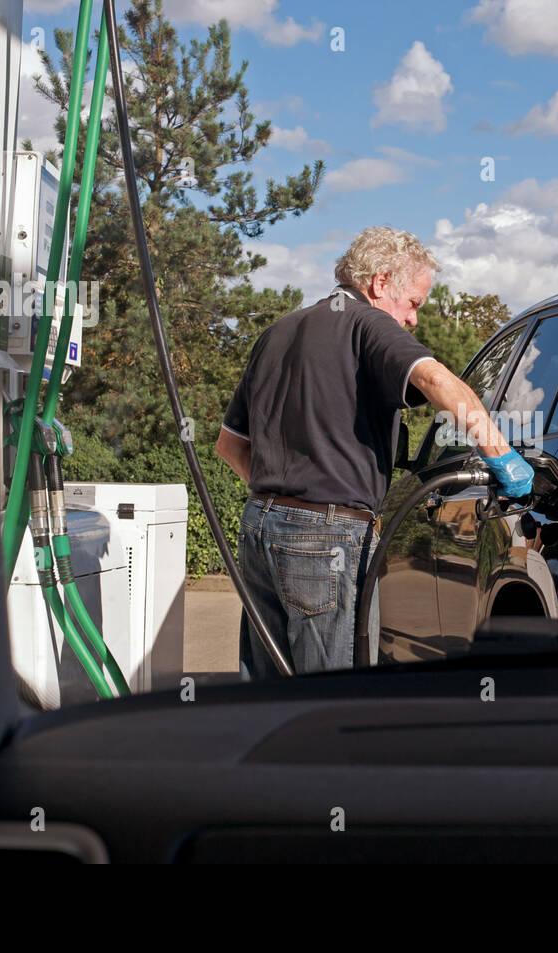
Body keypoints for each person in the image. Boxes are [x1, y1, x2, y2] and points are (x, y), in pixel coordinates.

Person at [215, 226, 533, 675]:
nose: (413, 320)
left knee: (270, 694)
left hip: (258, 529)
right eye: (414, 303)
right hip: (329, 537)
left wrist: (286, 504)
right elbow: (437, 381)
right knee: (332, 698)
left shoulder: (277, 332)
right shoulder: (367, 323)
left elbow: (229, 445)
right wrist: (502, 455)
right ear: (381, 283)